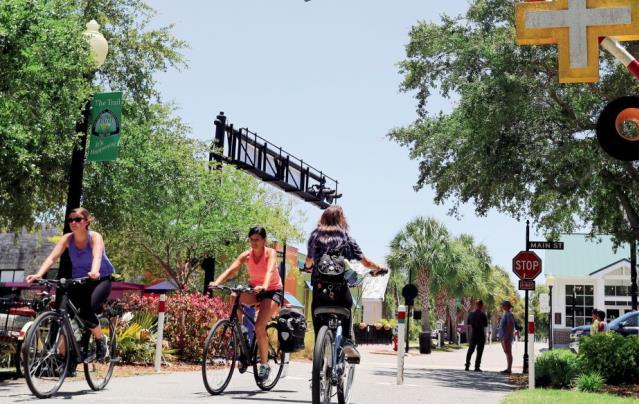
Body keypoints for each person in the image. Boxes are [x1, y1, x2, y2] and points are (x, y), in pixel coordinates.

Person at [26, 208, 115, 363]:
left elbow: (97, 256)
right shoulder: (67, 239)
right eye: (70, 220)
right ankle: (67, 358)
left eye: (77, 219)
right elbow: (52, 258)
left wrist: (94, 271)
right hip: (79, 280)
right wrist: (39, 274)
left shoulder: (95, 237)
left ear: (86, 222)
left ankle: (101, 340)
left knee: (86, 311)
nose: (73, 222)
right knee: (65, 315)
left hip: (99, 280)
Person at [303, 205, 384, 362]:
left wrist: (307, 267)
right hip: (340, 290)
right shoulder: (346, 239)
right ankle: (347, 340)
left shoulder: (315, 237)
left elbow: (308, 261)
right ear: (341, 220)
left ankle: (319, 347)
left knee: (316, 309)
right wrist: (378, 268)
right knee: (347, 307)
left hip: (320, 289)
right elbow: (366, 262)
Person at [209, 226, 282, 381]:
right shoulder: (246, 255)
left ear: (264, 240)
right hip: (254, 289)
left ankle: (264, 365)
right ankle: (241, 331)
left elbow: (270, 270)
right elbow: (231, 270)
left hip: (272, 291)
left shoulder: (270, 253)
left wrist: (264, 285)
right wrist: (217, 282)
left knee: (259, 327)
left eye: (257, 239)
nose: (254, 242)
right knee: (234, 295)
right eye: (251, 239)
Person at [465, 300, 488, 372]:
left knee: (470, 350)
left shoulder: (471, 314)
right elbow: (485, 325)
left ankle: (467, 365)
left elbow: (468, 324)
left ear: (476, 305)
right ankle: (477, 366)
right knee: (479, 351)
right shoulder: (483, 314)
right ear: (481, 305)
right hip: (480, 334)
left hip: (473, 334)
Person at [497, 300, 515, 374]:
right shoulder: (505, 314)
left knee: (508, 352)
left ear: (507, 306)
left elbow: (509, 325)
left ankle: (509, 369)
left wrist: (506, 336)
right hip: (503, 336)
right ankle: (508, 368)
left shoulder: (509, 314)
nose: (502, 306)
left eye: (503, 305)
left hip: (506, 337)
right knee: (506, 352)